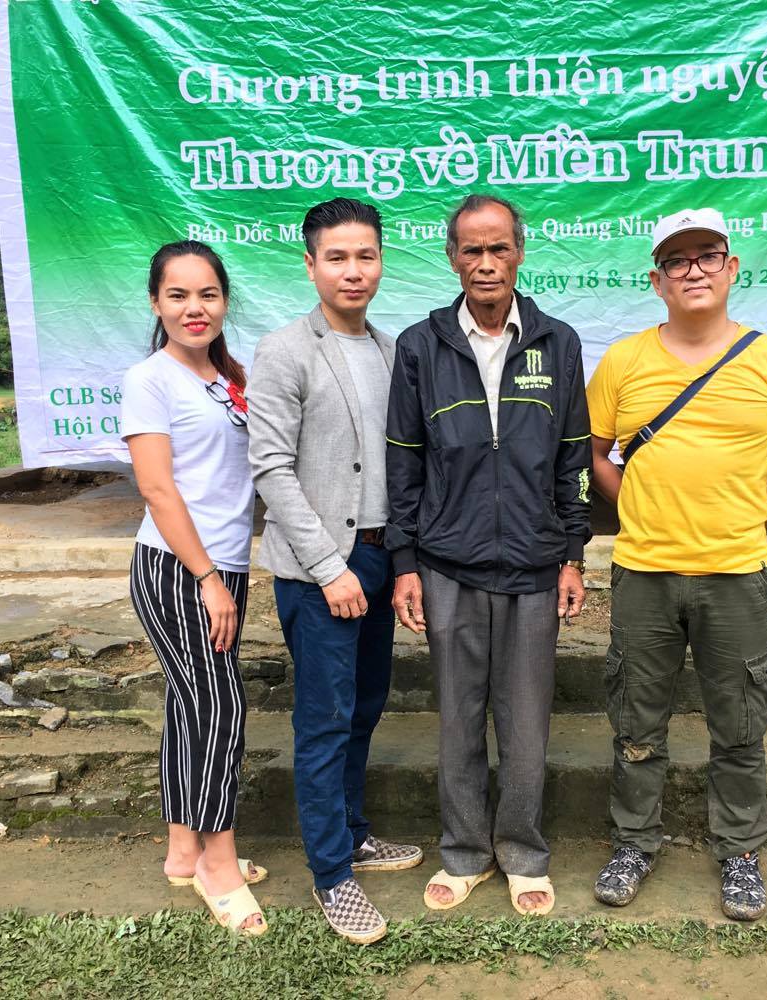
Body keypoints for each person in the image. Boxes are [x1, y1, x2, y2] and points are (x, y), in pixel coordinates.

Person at [586, 207, 767, 920]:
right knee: (636, 722)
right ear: (657, 280)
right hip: (645, 573)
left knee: (741, 724)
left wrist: (747, 519)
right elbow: (594, 455)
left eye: (707, 256)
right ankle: (633, 842)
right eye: (677, 260)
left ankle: (740, 852)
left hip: (735, 574)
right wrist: (638, 507)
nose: (693, 270)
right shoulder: (623, 361)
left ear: (731, 269)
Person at [386, 194, 591, 917]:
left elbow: (573, 458)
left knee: (526, 720)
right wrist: (405, 562)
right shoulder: (422, 346)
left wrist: (572, 553)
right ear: (452, 258)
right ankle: (465, 852)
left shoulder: (557, 343)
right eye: (471, 250)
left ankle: (524, 853)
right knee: (458, 717)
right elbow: (404, 462)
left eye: (498, 247)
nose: (485, 263)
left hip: (535, 564)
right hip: (448, 563)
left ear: (520, 253)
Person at [246, 197, 422, 946]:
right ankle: (331, 875)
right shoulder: (285, 350)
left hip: (380, 556)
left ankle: (353, 832)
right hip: (321, 569)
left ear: (381, 262)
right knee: (324, 720)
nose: (354, 271)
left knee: (366, 706)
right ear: (311, 264)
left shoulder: (392, 350)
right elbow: (270, 468)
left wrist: (400, 562)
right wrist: (328, 568)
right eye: (338, 257)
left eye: (366, 256)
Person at [121, 240, 265, 936]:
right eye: (177, 295)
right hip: (180, 568)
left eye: (207, 294)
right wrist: (207, 578)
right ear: (156, 303)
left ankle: (183, 850)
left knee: (190, 705)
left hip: (223, 565)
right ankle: (218, 862)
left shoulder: (228, 376)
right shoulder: (151, 379)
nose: (194, 308)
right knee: (218, 707)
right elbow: (157, 488)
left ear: (224, 301)